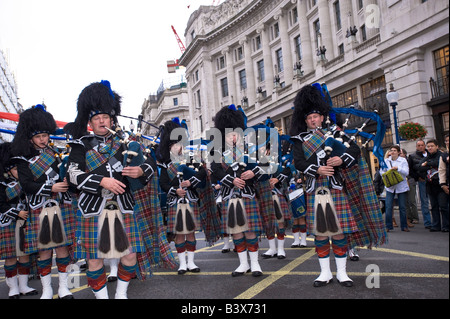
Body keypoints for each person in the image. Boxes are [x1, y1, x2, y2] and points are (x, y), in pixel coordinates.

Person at [64, 81, 157, 299]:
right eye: (96, 118)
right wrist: (101, 181)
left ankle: (121, 294)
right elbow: (72, 175)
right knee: (94, 259)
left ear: (112, 119)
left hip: (123, 206)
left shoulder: (126, 142)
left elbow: (151, 163)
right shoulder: (81, 145)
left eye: (105, 117)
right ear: (90, 122)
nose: (101, 121)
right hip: (92, 207)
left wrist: (141, 171)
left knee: (130, 256)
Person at [290, 84, 386, 288]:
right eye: (308, 118)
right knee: (321, 232)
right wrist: (317, 169)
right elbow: (298, 162)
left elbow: (355, 152)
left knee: (340, 231)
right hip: (316, 188)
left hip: (336, 187)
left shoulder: (336, 134)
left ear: (323, 117)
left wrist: (341, 160)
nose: (312, 120)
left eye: (315, 116)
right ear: (304, 120)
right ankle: (324, 273)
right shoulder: (300, 140)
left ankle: (342, 273)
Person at [11, 104, 76, 299]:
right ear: (30, 137)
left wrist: (65, 181)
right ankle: (47, 289)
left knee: (63, 247)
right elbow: (26, 185)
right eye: (38, 137)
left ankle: (63, 287)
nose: (43, 140)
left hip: (60, 204)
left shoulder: (55, 154)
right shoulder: (22, 158)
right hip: (39, 206)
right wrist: (51, 188)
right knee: (44, 251)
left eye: (45, 136)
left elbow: (62, 175)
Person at [211, 105, 267, 277]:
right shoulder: (218, 152)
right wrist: (231, 180)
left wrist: (253, 172)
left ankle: (255, 264)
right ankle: (243, 264)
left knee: (250, 231)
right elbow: (216, 171)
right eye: (229, 134)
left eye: (235, 133)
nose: (232, 137)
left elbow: (266, 166)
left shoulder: (251, 149)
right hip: (230, 195)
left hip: (248, 194)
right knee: (236, 231)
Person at [157, 119, 206, 275]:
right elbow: (163, 183)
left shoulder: (191, 159)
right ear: (169, 146)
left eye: (180, 144)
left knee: (190, 232)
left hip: (190, 199)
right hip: (175, 202)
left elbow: (202, 173)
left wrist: (189, 182)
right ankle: (182, 264)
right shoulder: (165, 164)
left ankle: (191, 263)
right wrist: (175, 190)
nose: (179, 147)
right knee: (179, 234)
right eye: (175, 145)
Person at [0, 142, 38, 298]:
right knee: (10, 257)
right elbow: (1, 204)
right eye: (16, 169)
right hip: (8, 223)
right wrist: (17, 213)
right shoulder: (2, 184)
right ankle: (12, 288)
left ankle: (23, 286)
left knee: (24, 255)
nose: (19, 171)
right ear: (8, 170)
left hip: (24, 222)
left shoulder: (27, 181)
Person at [418, 139, 449, 232]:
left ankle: (446, 225)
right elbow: (419, 166)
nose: (430, 148)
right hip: (430, 185)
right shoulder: (428, 156)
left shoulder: (441, 155)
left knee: (443, 206)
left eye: (432, 146)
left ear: (437, 147)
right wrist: (428, 165)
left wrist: (427, 164)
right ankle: (436, 225)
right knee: (434, 206)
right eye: (428, 146)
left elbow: (437, 163)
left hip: (440, 184)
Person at [381, 145, 410, 232]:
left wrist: (398, 169)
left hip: (401, 186)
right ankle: (388, 226)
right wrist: (386, 174)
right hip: (390, 186)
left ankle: (404, 226)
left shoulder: (403, 160)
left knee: (402, 207)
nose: (392, 152)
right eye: (391, 150)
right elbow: (382, 171)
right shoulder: (386, 161)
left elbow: (406, 172)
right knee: (388, 206)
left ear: (398, 152)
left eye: (394, 150)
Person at [409, 140, 432, 229]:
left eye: (422, 145)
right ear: (416, 146)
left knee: (435, 202)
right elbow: (410, 170)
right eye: (418, 145)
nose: (420, 147)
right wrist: (417, 177)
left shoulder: (430, 154)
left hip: (433, 180)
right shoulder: (413, 156)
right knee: (424, 202)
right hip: (422, 181)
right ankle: (427, 222)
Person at [400, 148, 418, 227]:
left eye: (401, 153)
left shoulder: (409, 160)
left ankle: (415, 217)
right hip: (402, 182)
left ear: (404, 154)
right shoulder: (398, 162)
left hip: (410, 181)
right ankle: (409, 217)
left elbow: (413, 170)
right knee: (405, 202)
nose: (399, 155)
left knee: (412, 200)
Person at [438, 134, 449, 232]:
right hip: (446, 184)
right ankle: (446, 225)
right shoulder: (444, 155)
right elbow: (442, 170)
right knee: (443, 205)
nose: (448, 142)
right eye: (446, 141)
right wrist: (443, 184)